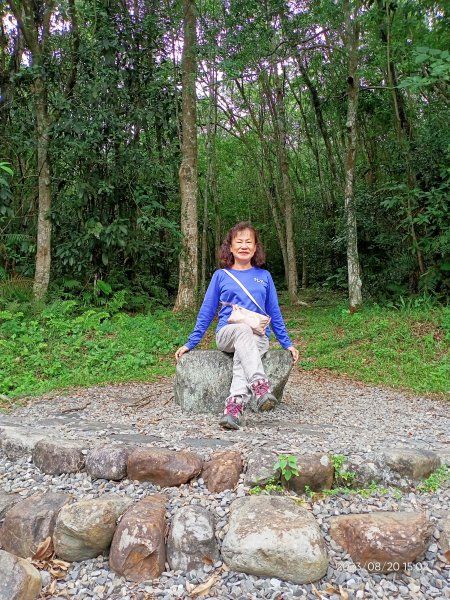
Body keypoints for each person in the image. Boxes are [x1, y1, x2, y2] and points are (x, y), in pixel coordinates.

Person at [175, 222, 299, 430]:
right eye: (239, 242)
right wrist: (191, 343)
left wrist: (287, 343)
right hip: (228, 333)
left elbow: (274, 312)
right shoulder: (220, 276)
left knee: (244, 358)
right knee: (242, 331)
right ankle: (260, 386)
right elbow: (207, 311)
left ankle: (233, 409)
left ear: (255, 247)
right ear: (230, 248)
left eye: (248, 242)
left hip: (258, 336)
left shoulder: (264, 277)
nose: (244, 246)